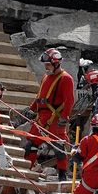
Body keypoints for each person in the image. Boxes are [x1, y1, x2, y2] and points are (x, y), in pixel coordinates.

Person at [24, 48, 75, 181]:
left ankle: (62, 176)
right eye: (45, 64)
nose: (46, 67)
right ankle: (27, 170)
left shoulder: (66, 79)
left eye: (48, 64)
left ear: (56, 63)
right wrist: (31, 109)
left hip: (55, 119)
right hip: (41, 118)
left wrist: (64, 118)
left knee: (59, 148)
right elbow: (39, 96)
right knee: (30, 145)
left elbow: (69, 101)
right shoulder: (46, 77)